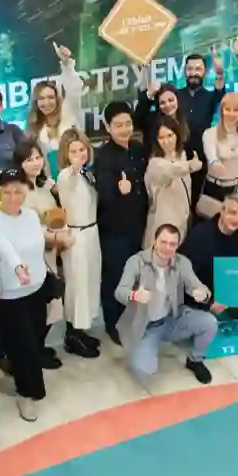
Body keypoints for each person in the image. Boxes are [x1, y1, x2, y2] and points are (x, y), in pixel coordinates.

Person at [0, 170, 52, 419]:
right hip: (11, 295)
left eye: (18, 192)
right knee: (23, 346)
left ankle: (24, 377)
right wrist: (18, 266)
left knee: (35, 340)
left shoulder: (31, 216)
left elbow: (39, 241)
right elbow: (5, 248)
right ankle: (25, 394)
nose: (13, 197)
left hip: (36, 289)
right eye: (7, 192)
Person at [115, 223, 218, 384]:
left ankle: (195, 360)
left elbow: (198, 286)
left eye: (172, 244)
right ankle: (141, 351)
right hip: (145, 327)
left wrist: (203, 294)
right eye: (164, 242)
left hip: (172, 319)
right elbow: (120, 292)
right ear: (154, 241)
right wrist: (135, 295)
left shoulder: (182, 262)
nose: (168, 248)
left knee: (209, 322)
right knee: (144, 373)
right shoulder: (136, 262)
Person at [181, 194, 238, 339]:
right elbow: (186, 272)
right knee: (208, 327)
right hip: (208, 289)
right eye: (232, 212)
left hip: (235, 285)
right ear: (222, 210)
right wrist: (208, 302)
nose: (236, 219)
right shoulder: (201, 234)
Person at [93, 102, 150, 345]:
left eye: (128, 124)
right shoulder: (103, 156)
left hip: (138, 224)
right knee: (115, 276)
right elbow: (102, 193)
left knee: (135, 274)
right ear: (108, 127)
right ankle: (113, 323)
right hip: (114, 229)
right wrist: (119, 189)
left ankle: (132, 317)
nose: (124, 129)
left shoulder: (137, 148)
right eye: (118, 125)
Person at [15, 140, 68, 369]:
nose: (35, 163)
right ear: (20, 163)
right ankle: (33, 352)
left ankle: (39, 346)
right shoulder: (19, 192)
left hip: (50, 252)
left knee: (52, 303)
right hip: (33, 256)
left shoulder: (44, 186)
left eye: (38, 158)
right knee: (39, 306)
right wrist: (52, 238)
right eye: (29, 159)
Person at [56, 131, 104, 356]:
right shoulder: (66, 175)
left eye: (82, 149)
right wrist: (75, 168)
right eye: (73, 151)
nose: (78, 154)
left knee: (91, 282)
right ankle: (72, 334)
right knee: (77, 286)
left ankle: (82, 329)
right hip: (76, 235)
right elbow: (70, 183)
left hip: (92, 232)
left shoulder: (89, 173)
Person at [27, 43, 86, 176]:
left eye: (50, 97)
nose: (46, 103)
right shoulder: (35, 127)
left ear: (57, 99)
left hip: (78, 177)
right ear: (36, 102)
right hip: (52, 182)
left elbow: (75, 87)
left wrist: (67, 64)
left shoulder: (68, 112)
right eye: (41, 98)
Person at [144, 116, 203, 249]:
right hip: (163, 226)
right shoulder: (155, 163)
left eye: (170, 135)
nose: (166, 141)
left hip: (183, 221)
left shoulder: (182, 155)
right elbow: (170, 169)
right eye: (161, 137)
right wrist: (190, 166)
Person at [177, 47, 228, 196]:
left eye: (198, 69)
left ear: (205, 72)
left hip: (203, 158)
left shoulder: (210, 96)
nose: (193, 73)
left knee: (199, 198)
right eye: (190, 69)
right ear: (184, 72)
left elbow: (220, 94)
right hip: (178, 157)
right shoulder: (175, 96)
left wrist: (220, 75)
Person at [198, 93, 238, 220]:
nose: (231, 114)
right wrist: (214, 162)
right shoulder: (210, 133)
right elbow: (210, 154)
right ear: (221, 111)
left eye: (236, 110)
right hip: (215, 188)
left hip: (236, 188)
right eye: (227, 109)